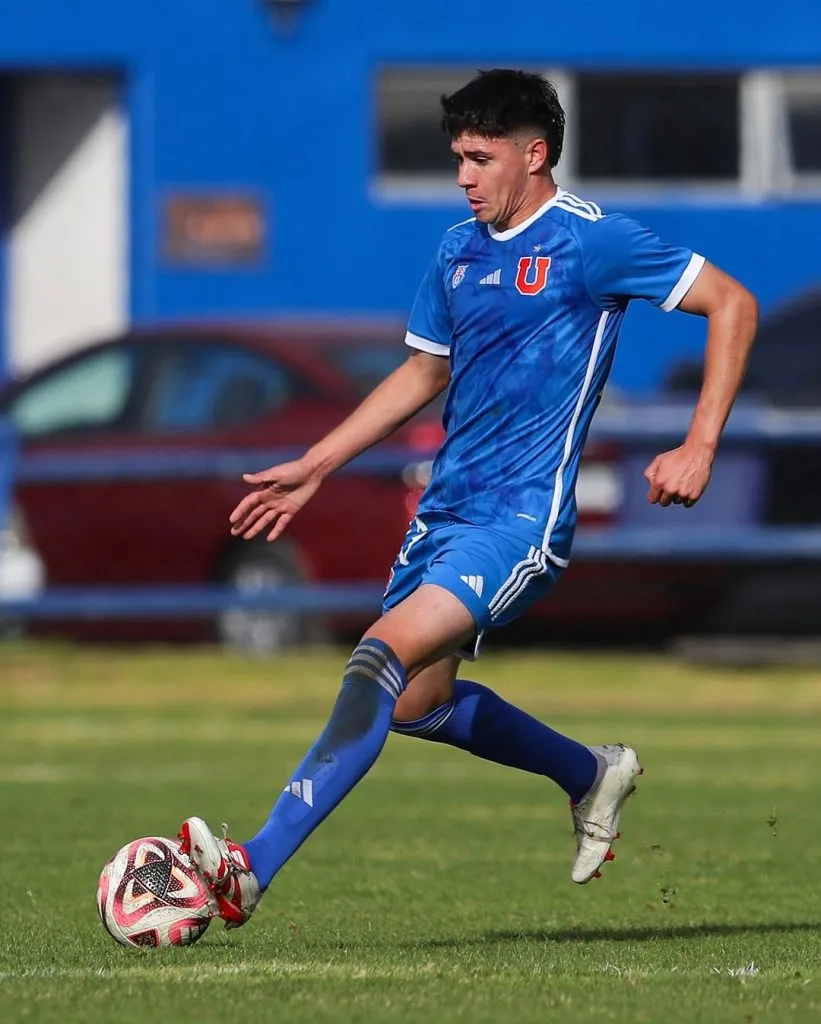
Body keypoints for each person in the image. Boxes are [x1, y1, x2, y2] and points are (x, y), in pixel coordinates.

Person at [177, 69, 759, 928]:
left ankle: (251, 865)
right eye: (456, 157)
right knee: (414, 703)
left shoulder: (590, 241)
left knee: (377, 655)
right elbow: (423, 369)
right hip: (445, 514)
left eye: (480, 158)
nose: (463, 175)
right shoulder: (456, 250)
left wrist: (699, 441)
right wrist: (318, 462)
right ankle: (588, 772)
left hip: (522, 516)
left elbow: (732, 303)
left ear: (535, 154)